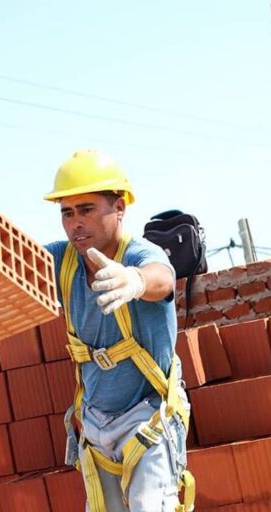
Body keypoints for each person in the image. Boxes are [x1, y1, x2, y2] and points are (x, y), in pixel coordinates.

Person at [44, 150, 194, 512]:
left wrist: (135, 280)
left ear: (120, 207)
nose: (75, 223)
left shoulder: (141, 254)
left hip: (147, 418)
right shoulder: (63, 260)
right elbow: (16, 260)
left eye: (87, 209)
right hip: (95, 424)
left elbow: (162, 276)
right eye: (67, 212)